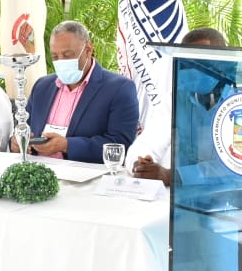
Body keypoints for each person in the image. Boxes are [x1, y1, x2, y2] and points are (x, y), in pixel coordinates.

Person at [15, 20, 138, 163]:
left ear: (88, 50)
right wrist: (18, 142)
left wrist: (67, 146)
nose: (61, 61)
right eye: (55, 57)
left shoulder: (119, 88)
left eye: (67, 55)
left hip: (86, 179)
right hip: (37, 174)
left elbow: (121, 145)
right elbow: (25, 128)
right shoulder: (42, 87)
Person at [129, 26, 229, 186]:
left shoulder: (240, 102)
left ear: (223, 63)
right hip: (180, 201)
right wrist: (139, 164)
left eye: (203, 61)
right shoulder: (175, 98)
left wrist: (173, 176)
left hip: (227, 202)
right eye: (188, 62)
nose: (195, 68)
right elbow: (147, 142)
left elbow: (234, 167)